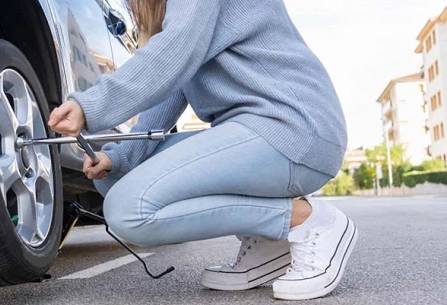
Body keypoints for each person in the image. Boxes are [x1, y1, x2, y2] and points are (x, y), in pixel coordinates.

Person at [47, 0, 357, 301]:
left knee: (128, 212)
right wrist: (121, 156)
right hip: (256, 130)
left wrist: (91, 106)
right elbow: (171, 86)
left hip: (293, 129)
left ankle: (307, 221)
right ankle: (270, 242)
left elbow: (173, 53)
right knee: (114, 177)